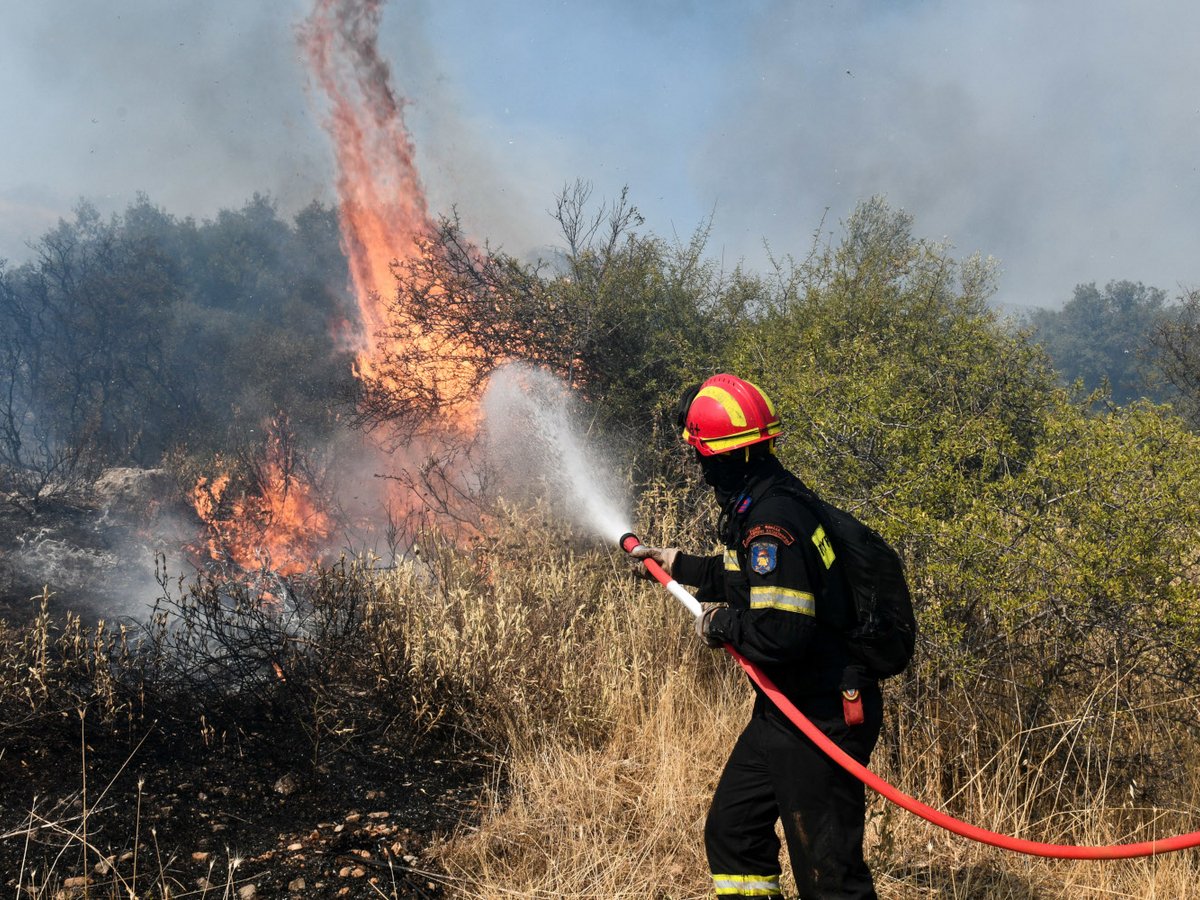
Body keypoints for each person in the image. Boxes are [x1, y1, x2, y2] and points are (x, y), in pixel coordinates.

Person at [632, 373, 881, 900]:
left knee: (829, 874)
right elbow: (754, 581)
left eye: (701, 456)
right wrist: (680, 565)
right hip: (785, 708)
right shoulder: (770, 497)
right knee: (735, 834)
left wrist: (719, 624)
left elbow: (781, 631)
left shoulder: (771, 523)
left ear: (719, 458)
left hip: (822, 713)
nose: (699, 468)